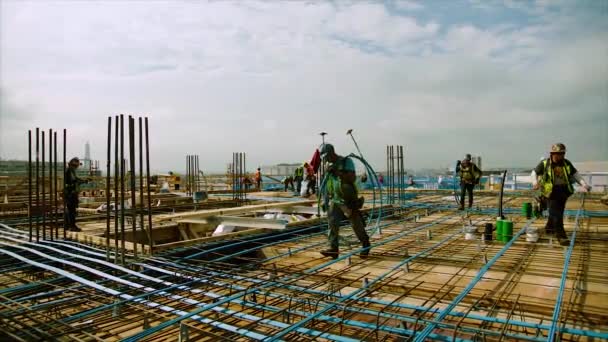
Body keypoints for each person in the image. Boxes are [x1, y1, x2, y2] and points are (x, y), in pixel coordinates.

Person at [532, 143, 591, 246]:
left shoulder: (566, 163)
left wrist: (584, 184)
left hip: (563, 191)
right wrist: (535, 183)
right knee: (557, 214)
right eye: (559, 154)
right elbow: (534, 173)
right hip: (550, 191)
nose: (561, 156)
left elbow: (575, 175)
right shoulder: (545, 163)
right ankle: (561, 236)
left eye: (563, 153)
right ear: (553, 154)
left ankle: (549, 228)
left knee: (557, 212)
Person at [319, 143, 370, 259]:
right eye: (324, 158)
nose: (326, 159)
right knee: (332, 222)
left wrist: (337, 172)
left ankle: (365, 244)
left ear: (332, 153)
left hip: (348, 198)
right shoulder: (328, 165)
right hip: (336, 199)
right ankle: (334, 249)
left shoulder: (346, 161)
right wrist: (325, 200)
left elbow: (351, 178)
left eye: (327, 156)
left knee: (355, 224)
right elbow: (328, 184)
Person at [64, 157, 90, 232]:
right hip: (71, 193)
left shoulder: (70, 170)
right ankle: (72, 226)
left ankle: (67, 226)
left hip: (69, 193)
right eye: (77, 165)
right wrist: (83, 181)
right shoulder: (69, 171)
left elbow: (76, 179)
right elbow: (74, 181)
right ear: (73, 165)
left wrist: (84, 181)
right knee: (72, 210)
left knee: (69, 210)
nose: (77, 167)